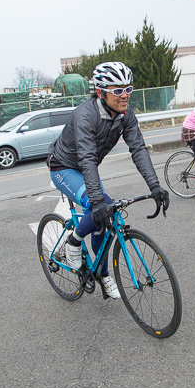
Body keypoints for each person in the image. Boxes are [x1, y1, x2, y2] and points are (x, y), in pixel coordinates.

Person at [48, 61, 170, 299]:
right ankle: (73, 241)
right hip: (64, 167)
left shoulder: (126, 115)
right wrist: (96, 201)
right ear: (100, 92)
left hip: (87, 168)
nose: (124, 96)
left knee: (105, 219)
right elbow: (86, 157)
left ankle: (102, 274)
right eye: (117, 90)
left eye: (128, 89)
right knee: (100, 204)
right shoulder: (85, 116)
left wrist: (155, 187)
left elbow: (138, 150)